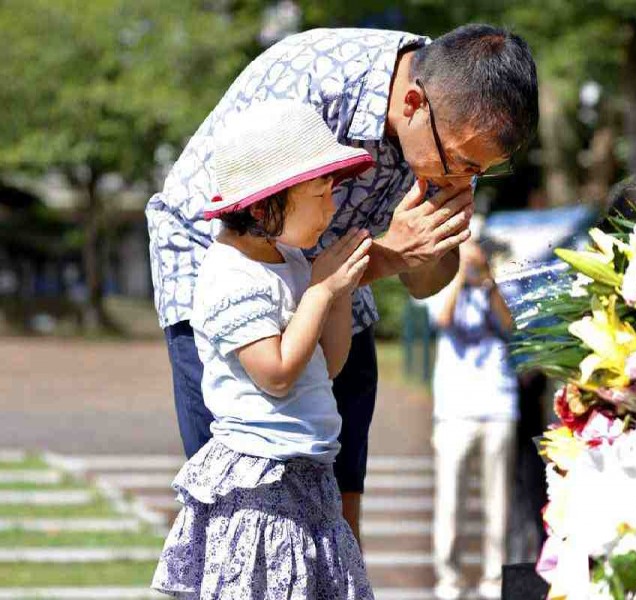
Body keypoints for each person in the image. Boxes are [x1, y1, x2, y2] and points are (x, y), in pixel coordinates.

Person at [146, 24, 539, 540]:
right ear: (414, 104)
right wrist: (384, 257)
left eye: (481, 172)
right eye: (463, 164)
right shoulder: (315, 89)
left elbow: (424, 283)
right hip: (226, 259)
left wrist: (423, 243)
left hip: (334, 271)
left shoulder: (445, 115)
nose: (464, 181)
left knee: (337, 482)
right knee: (242, 502)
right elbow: (260, 239)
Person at [152, 102, 375, 598]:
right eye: (320, 194)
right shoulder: (230, 274)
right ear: (261, 205)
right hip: (261, 489)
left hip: (310, 476)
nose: (331, 208)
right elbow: (275, 372)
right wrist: (318, 292)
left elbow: (328, 364)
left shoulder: (291, 261)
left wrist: (338, 292)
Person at [426, 236, 519, 600]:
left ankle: (495, 577)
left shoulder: (494, 284)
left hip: (498, 405)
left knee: (499, 501)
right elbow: (444, 318)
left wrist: (488, 282)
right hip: (454, 411)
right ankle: (448, 577)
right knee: (450, 500)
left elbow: (509, 325)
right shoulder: (439, 284)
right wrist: (460, 277)